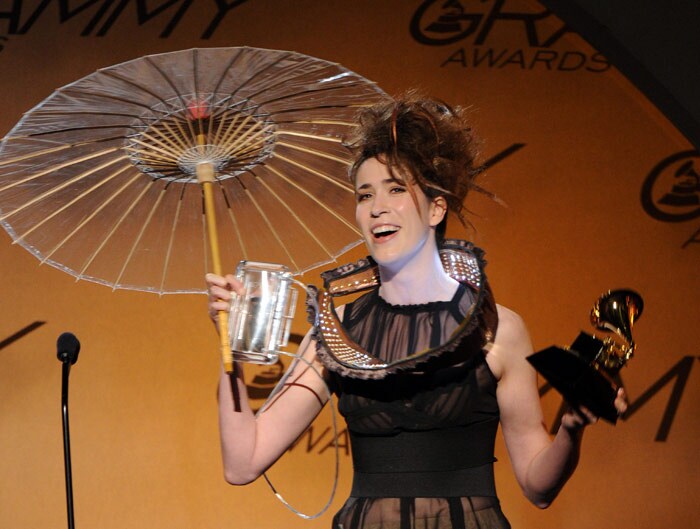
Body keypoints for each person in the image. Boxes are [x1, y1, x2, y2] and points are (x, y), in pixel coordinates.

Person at [206, 92, 627, 529]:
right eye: (364, 195)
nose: (377, 208)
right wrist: (230, 350)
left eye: (395, 190)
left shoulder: (496, 329)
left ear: (436, 207)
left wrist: (572, 426)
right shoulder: (336, 332)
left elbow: (538, 487)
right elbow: (243, 463)